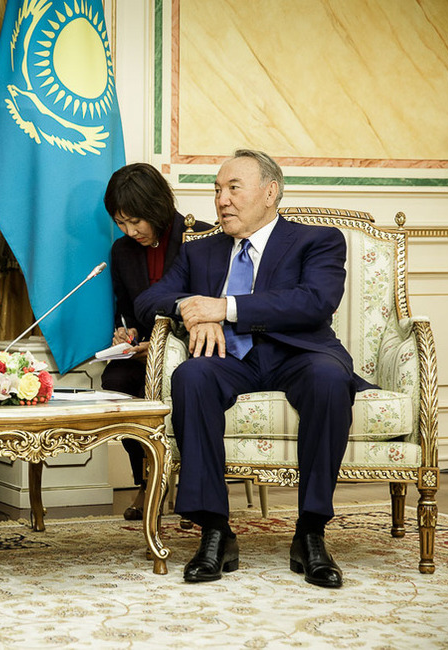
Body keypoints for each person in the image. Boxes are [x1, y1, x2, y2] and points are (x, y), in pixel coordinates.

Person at [134, 150, 372, 589]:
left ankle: (311, 532)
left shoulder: (316, 240)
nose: (221, 200)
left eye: (233, 188)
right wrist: (191, 308)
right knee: (191, 376)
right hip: (230, 360)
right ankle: (215, 531)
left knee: (329, 379)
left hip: (299, 354)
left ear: (270, 192)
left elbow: (315, 301)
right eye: (217, 191)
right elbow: (149, 300)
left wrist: (225, 307)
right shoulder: (200, 251)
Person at [100, 163, 210, 520]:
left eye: (136, 221)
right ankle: (147, 481)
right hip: (144, 355)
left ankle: (194, 482)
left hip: (194, 350)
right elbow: (127, 311)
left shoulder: (202, 238)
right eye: (121, 223)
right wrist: (126, 333)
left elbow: (211, 309)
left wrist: (167, 343)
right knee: (116, 382)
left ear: (156, 207)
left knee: (187, 382)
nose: (130, 231)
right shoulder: (121, 252)